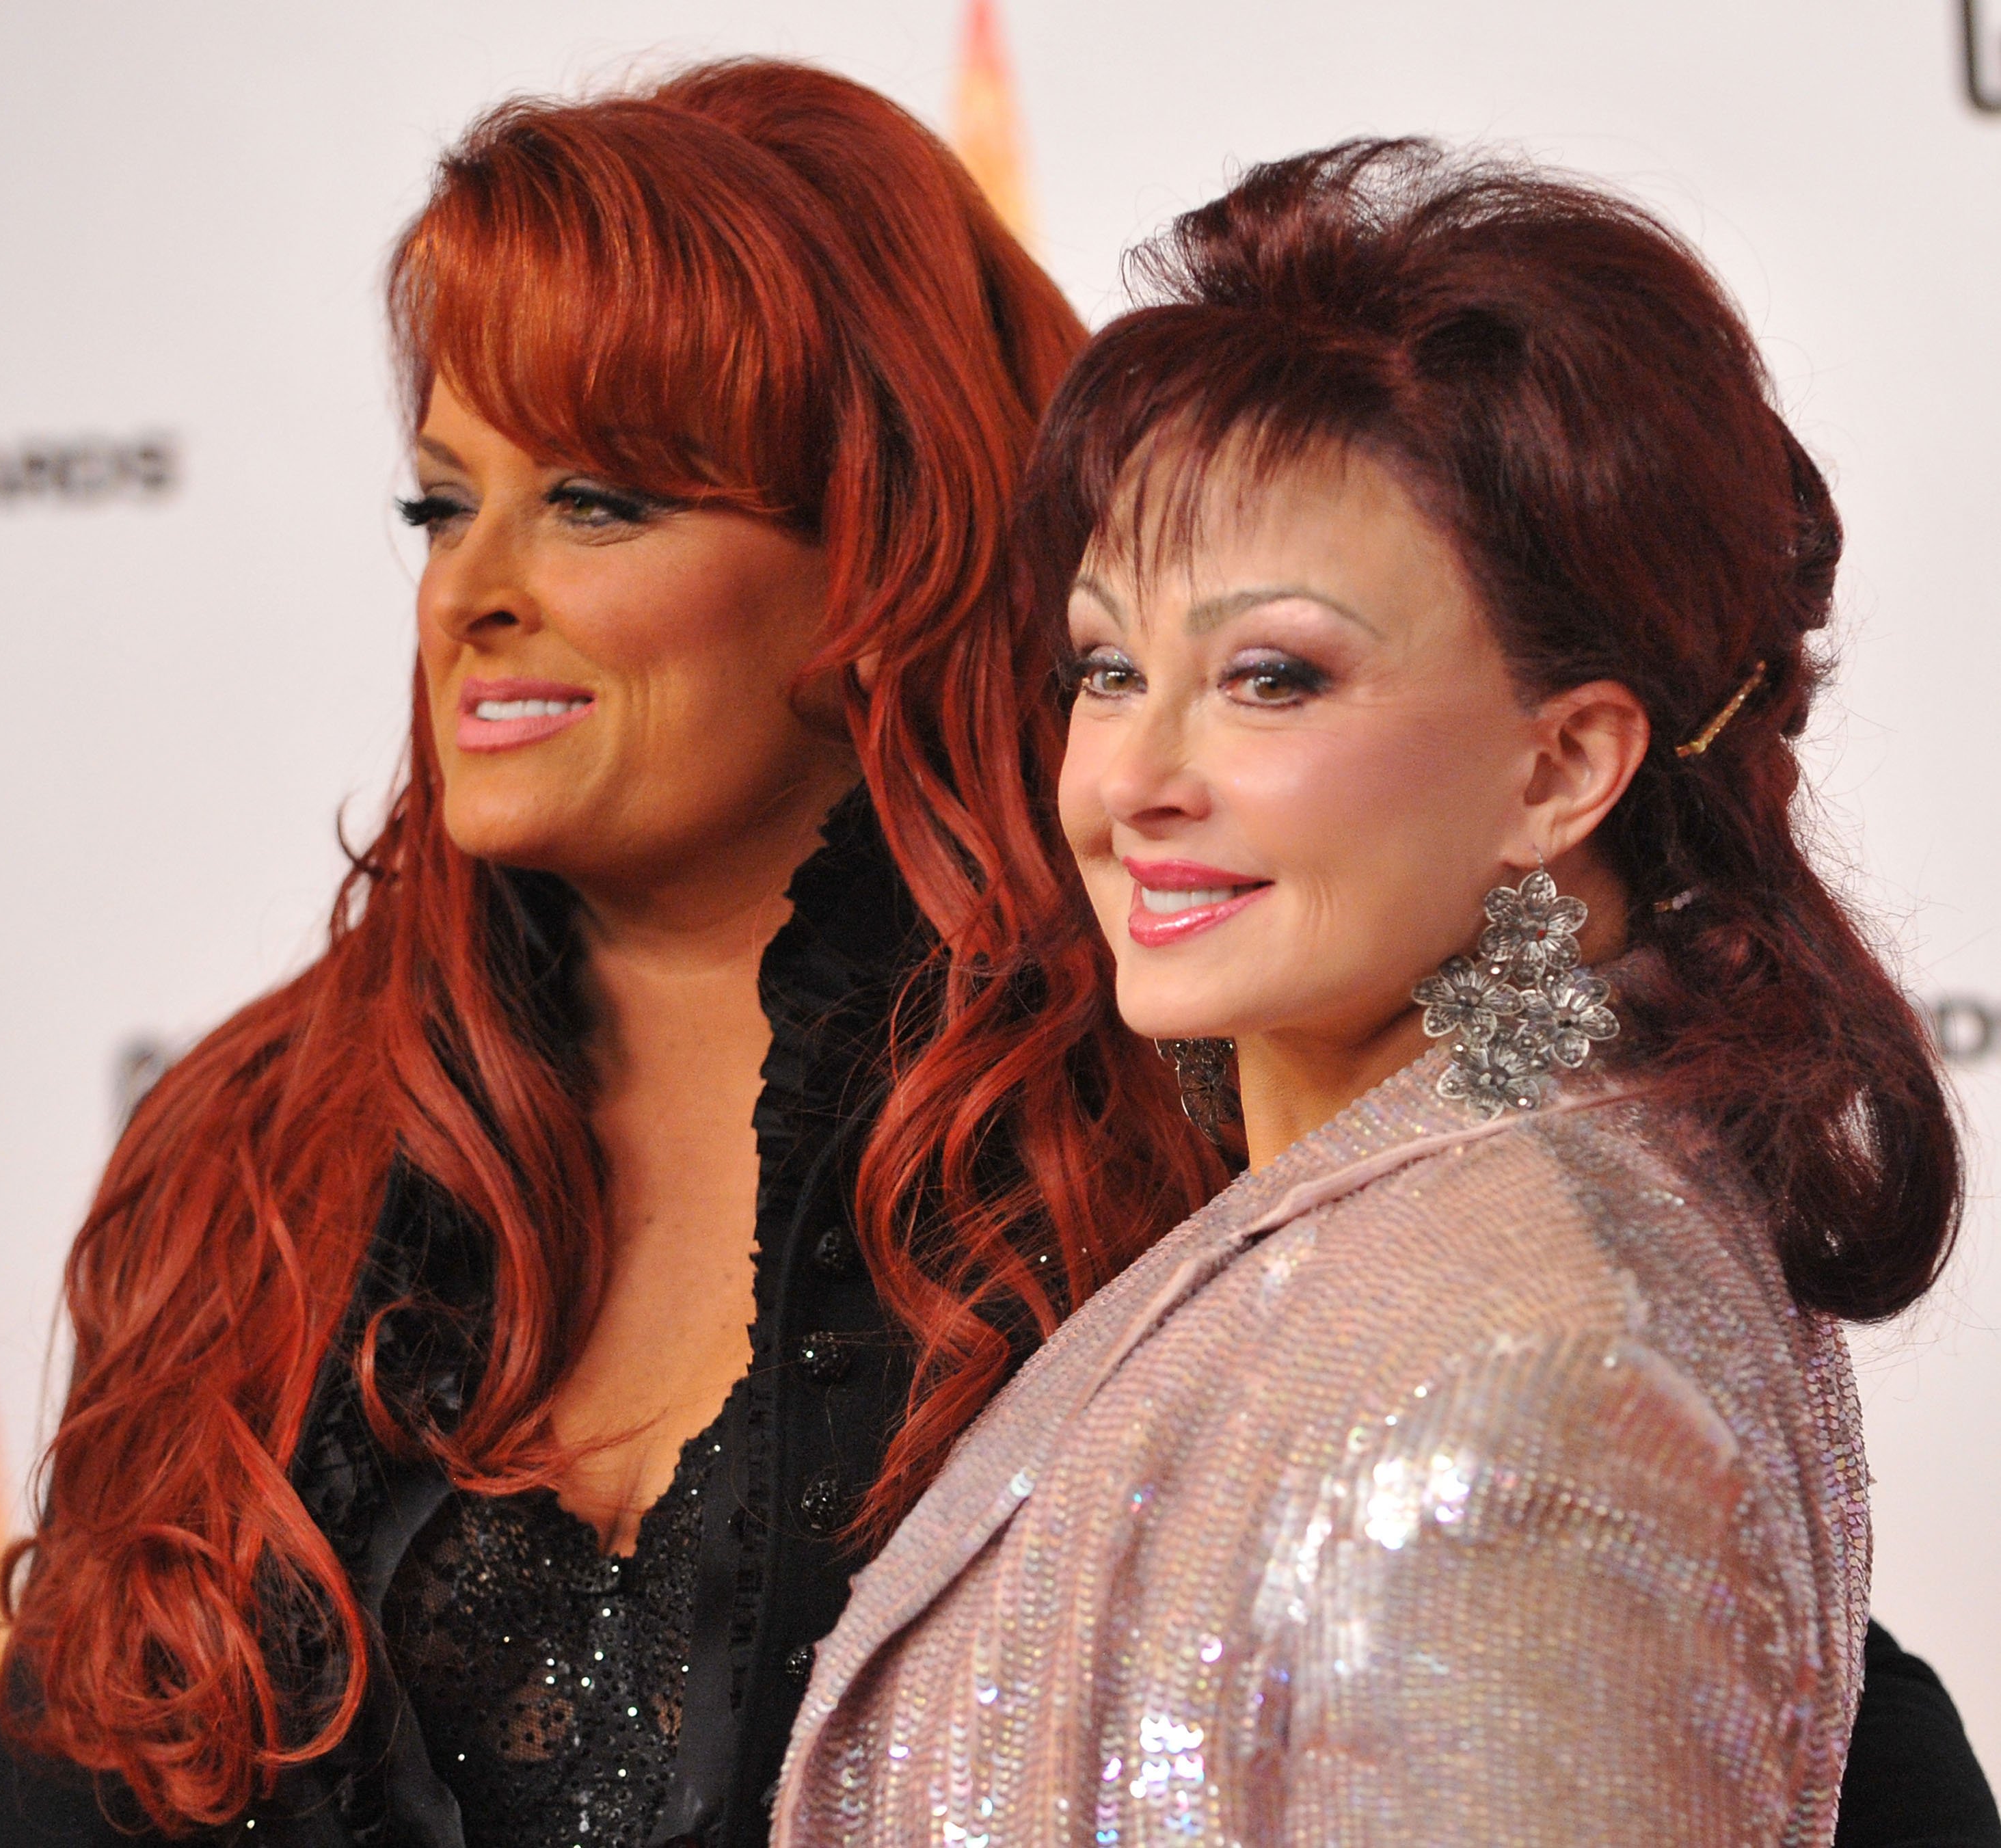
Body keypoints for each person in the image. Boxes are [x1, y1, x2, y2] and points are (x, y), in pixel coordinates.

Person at [0, 62, 1220, 1848]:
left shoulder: (1169, 1135)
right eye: (441, 503)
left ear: (887, 550)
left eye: (598, 501)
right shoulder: (252, 1156)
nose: (473, 587)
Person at [773, 139, 1991, 1847]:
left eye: (1273, 677)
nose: (1133, 776)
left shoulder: (1526, 1380)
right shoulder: (1422, 1227)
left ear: (1560, 767)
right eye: (1112, 666)